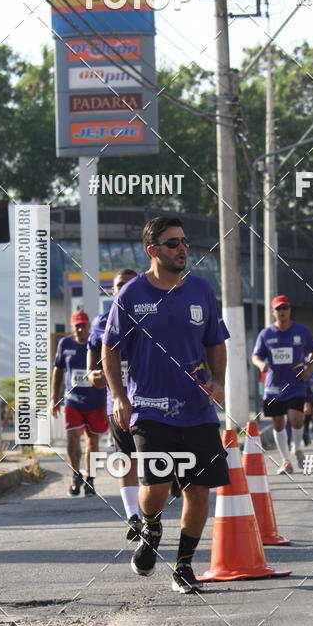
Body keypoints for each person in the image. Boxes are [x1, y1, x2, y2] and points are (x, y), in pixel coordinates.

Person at [101, 216, 230, 595]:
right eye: (173, 243)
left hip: (198, 407)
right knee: (156, 484)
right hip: (149, 407)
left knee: (199, 487)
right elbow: (109, 350)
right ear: (153, 250)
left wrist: (218, 380)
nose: (182, 248)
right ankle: (151, 524)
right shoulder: (132, 295)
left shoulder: (202, 291)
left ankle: (184, 565)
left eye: (184, 241)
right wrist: (120, 397)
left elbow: (216, 342)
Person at [87, 269, 142, 540]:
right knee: (126, 458)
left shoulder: (148, 315)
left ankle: (154, 506)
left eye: (130, 284)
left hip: (151, 400)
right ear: (112, 291)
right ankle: (134, 516)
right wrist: (95, 375)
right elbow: (91, 370)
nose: (124, 288)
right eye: (119, 285)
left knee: (156, 459)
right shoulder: (100, 323)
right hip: (117, 403)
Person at [252, 295, 313, 473]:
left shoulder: (301, 331)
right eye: (278, 308)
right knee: (278, 422)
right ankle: (286, 461)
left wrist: (309, 370)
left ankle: (297, 448)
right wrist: (261, 365)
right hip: (274, 386)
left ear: (290, 310)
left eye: (285, 308)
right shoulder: (266, 334)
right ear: (273, 312)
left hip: (296, 383)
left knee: (296, 418)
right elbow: (255, 355)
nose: (282, 311)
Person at [50, 311, 108, 496]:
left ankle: (90, 480)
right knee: (73, 437)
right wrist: (53, 398)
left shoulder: (97, 342)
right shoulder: (65, 343)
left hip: (97, 400)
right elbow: (57, 371)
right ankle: (76, 475)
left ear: (89, 325)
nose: (81, 329)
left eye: (84, 325)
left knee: (93, 440)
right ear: (72, 326)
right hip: (72, 400)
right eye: (77, 326)